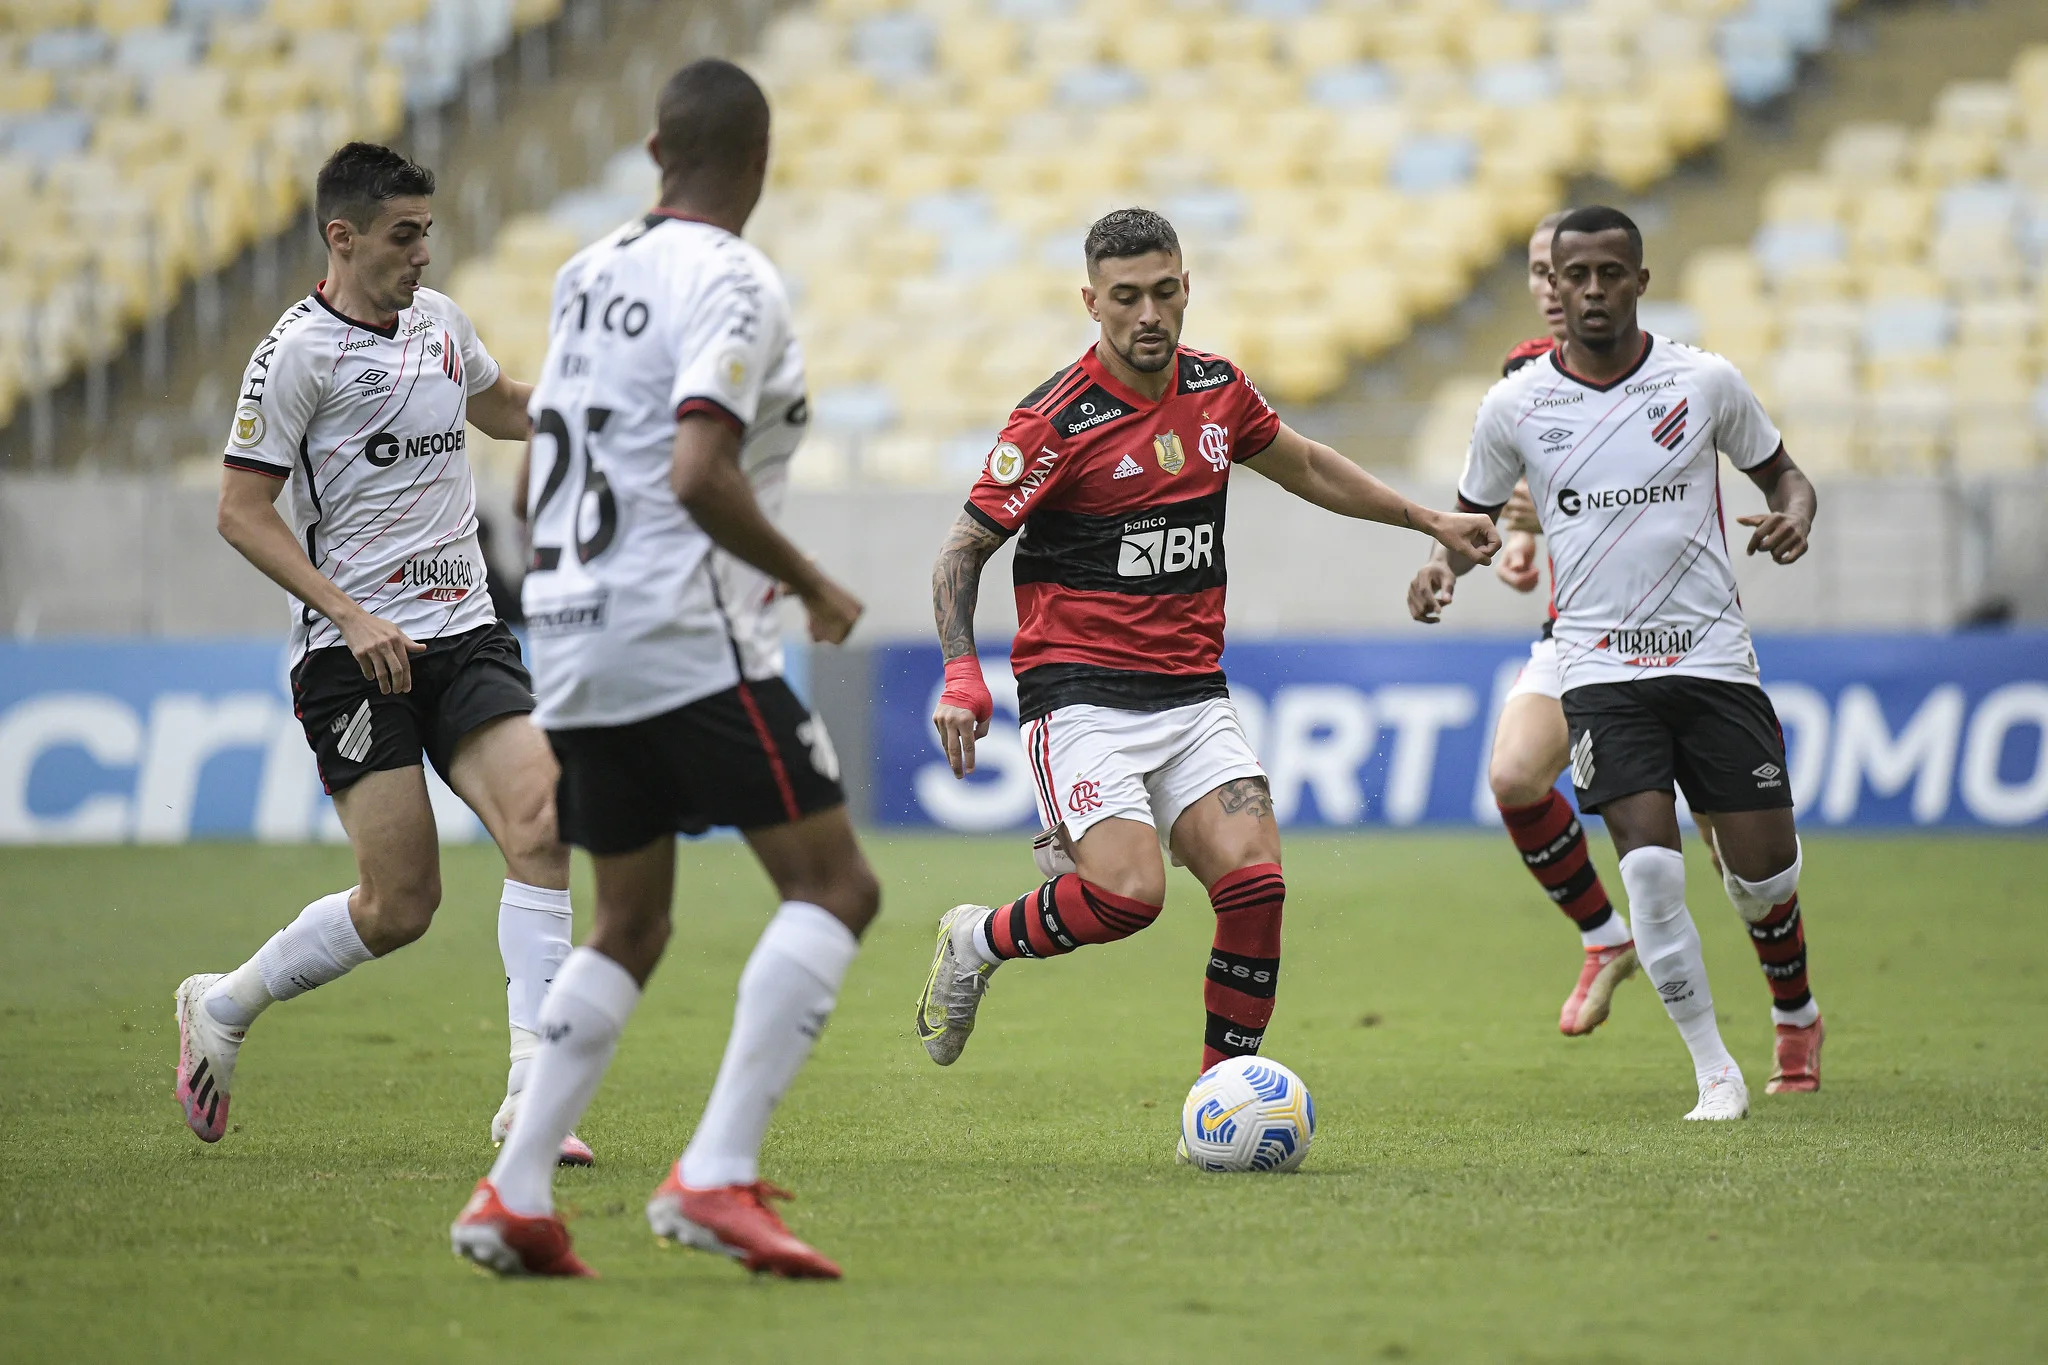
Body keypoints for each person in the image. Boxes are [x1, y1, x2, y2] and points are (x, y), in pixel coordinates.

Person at [450, 59, 878, 1281]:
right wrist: (811, 580)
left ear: (652, 151)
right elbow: (699, 472)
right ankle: (714, 1175)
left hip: (570, 633)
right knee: (837, 889)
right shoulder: (735, 280)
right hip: (684, 632)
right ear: (759, 160)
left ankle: (514, 1193)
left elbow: (535, 478)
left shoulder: (586, 274)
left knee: (630, 920)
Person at [914, 207, 1499, 1086]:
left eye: (1162, 292)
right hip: (1079, 696)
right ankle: (976, 939)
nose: (1147, 314)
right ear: (1091, 302)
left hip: (1191, 695)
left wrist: (1425, 516)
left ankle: (1218, 1100)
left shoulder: (1219, 390)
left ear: (1186, 287)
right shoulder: (1055, 422)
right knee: (1128, 895)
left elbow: (1307, 464)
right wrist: (963, 672)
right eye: (1124, 298)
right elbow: (962, 549)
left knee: (1257, 886)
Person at [176, 141, 592, 1167]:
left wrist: (590, 409)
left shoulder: (442, 323)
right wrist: (350, 616)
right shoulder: (295, 356)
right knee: (400, 905)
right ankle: (224, 1005)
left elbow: (498, 408)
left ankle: (532, 1097)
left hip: (465, 629)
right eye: (403, 236)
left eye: (427, 234)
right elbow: (241, 510)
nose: (421, 254)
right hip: (354, 655)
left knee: (541, 823)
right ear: (343, 236)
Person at [1411, 205, 1823, 1119]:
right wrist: (1443, 563)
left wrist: (1796, 513)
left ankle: (1795, 1008)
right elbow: (1473, 511)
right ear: (1554, 286)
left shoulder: (1704, 381)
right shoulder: (1517, 398)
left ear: (1640, 279)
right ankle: (1712, 1068)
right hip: (1594, 661)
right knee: (1644, 866)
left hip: (1711, 657)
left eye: (1610, 273)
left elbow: (1785, 474)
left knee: (1758, 875)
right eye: (1572, 275)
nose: (1591, 290)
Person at [1452, 210, 1644, 1038]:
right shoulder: (1521, 375)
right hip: (1578, 630)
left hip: (1682, 633)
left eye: (1567, 270)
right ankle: (1605, 936)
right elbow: (1522, 487)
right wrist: (1522, 542)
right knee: (1514, 776)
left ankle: (1793, 1014)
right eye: (1539, 273)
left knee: (1739, 858)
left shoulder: (1662, 373)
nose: (1557, 289)